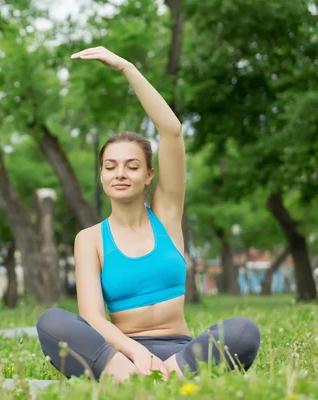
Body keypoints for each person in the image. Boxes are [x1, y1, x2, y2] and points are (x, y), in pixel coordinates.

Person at [36, 47, 261, 383]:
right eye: (110, 167)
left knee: (244, 331)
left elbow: (170, 130)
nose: (120, 173)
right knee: (51, 322)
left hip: (183, 352)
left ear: (149, 175)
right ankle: (134, 376)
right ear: (101, 175)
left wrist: (127, 67)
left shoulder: (167, 216)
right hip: (122, 355)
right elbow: (93, 318)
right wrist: (136, 353)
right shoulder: (91, 239)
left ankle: (165, 376)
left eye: (132, 166)